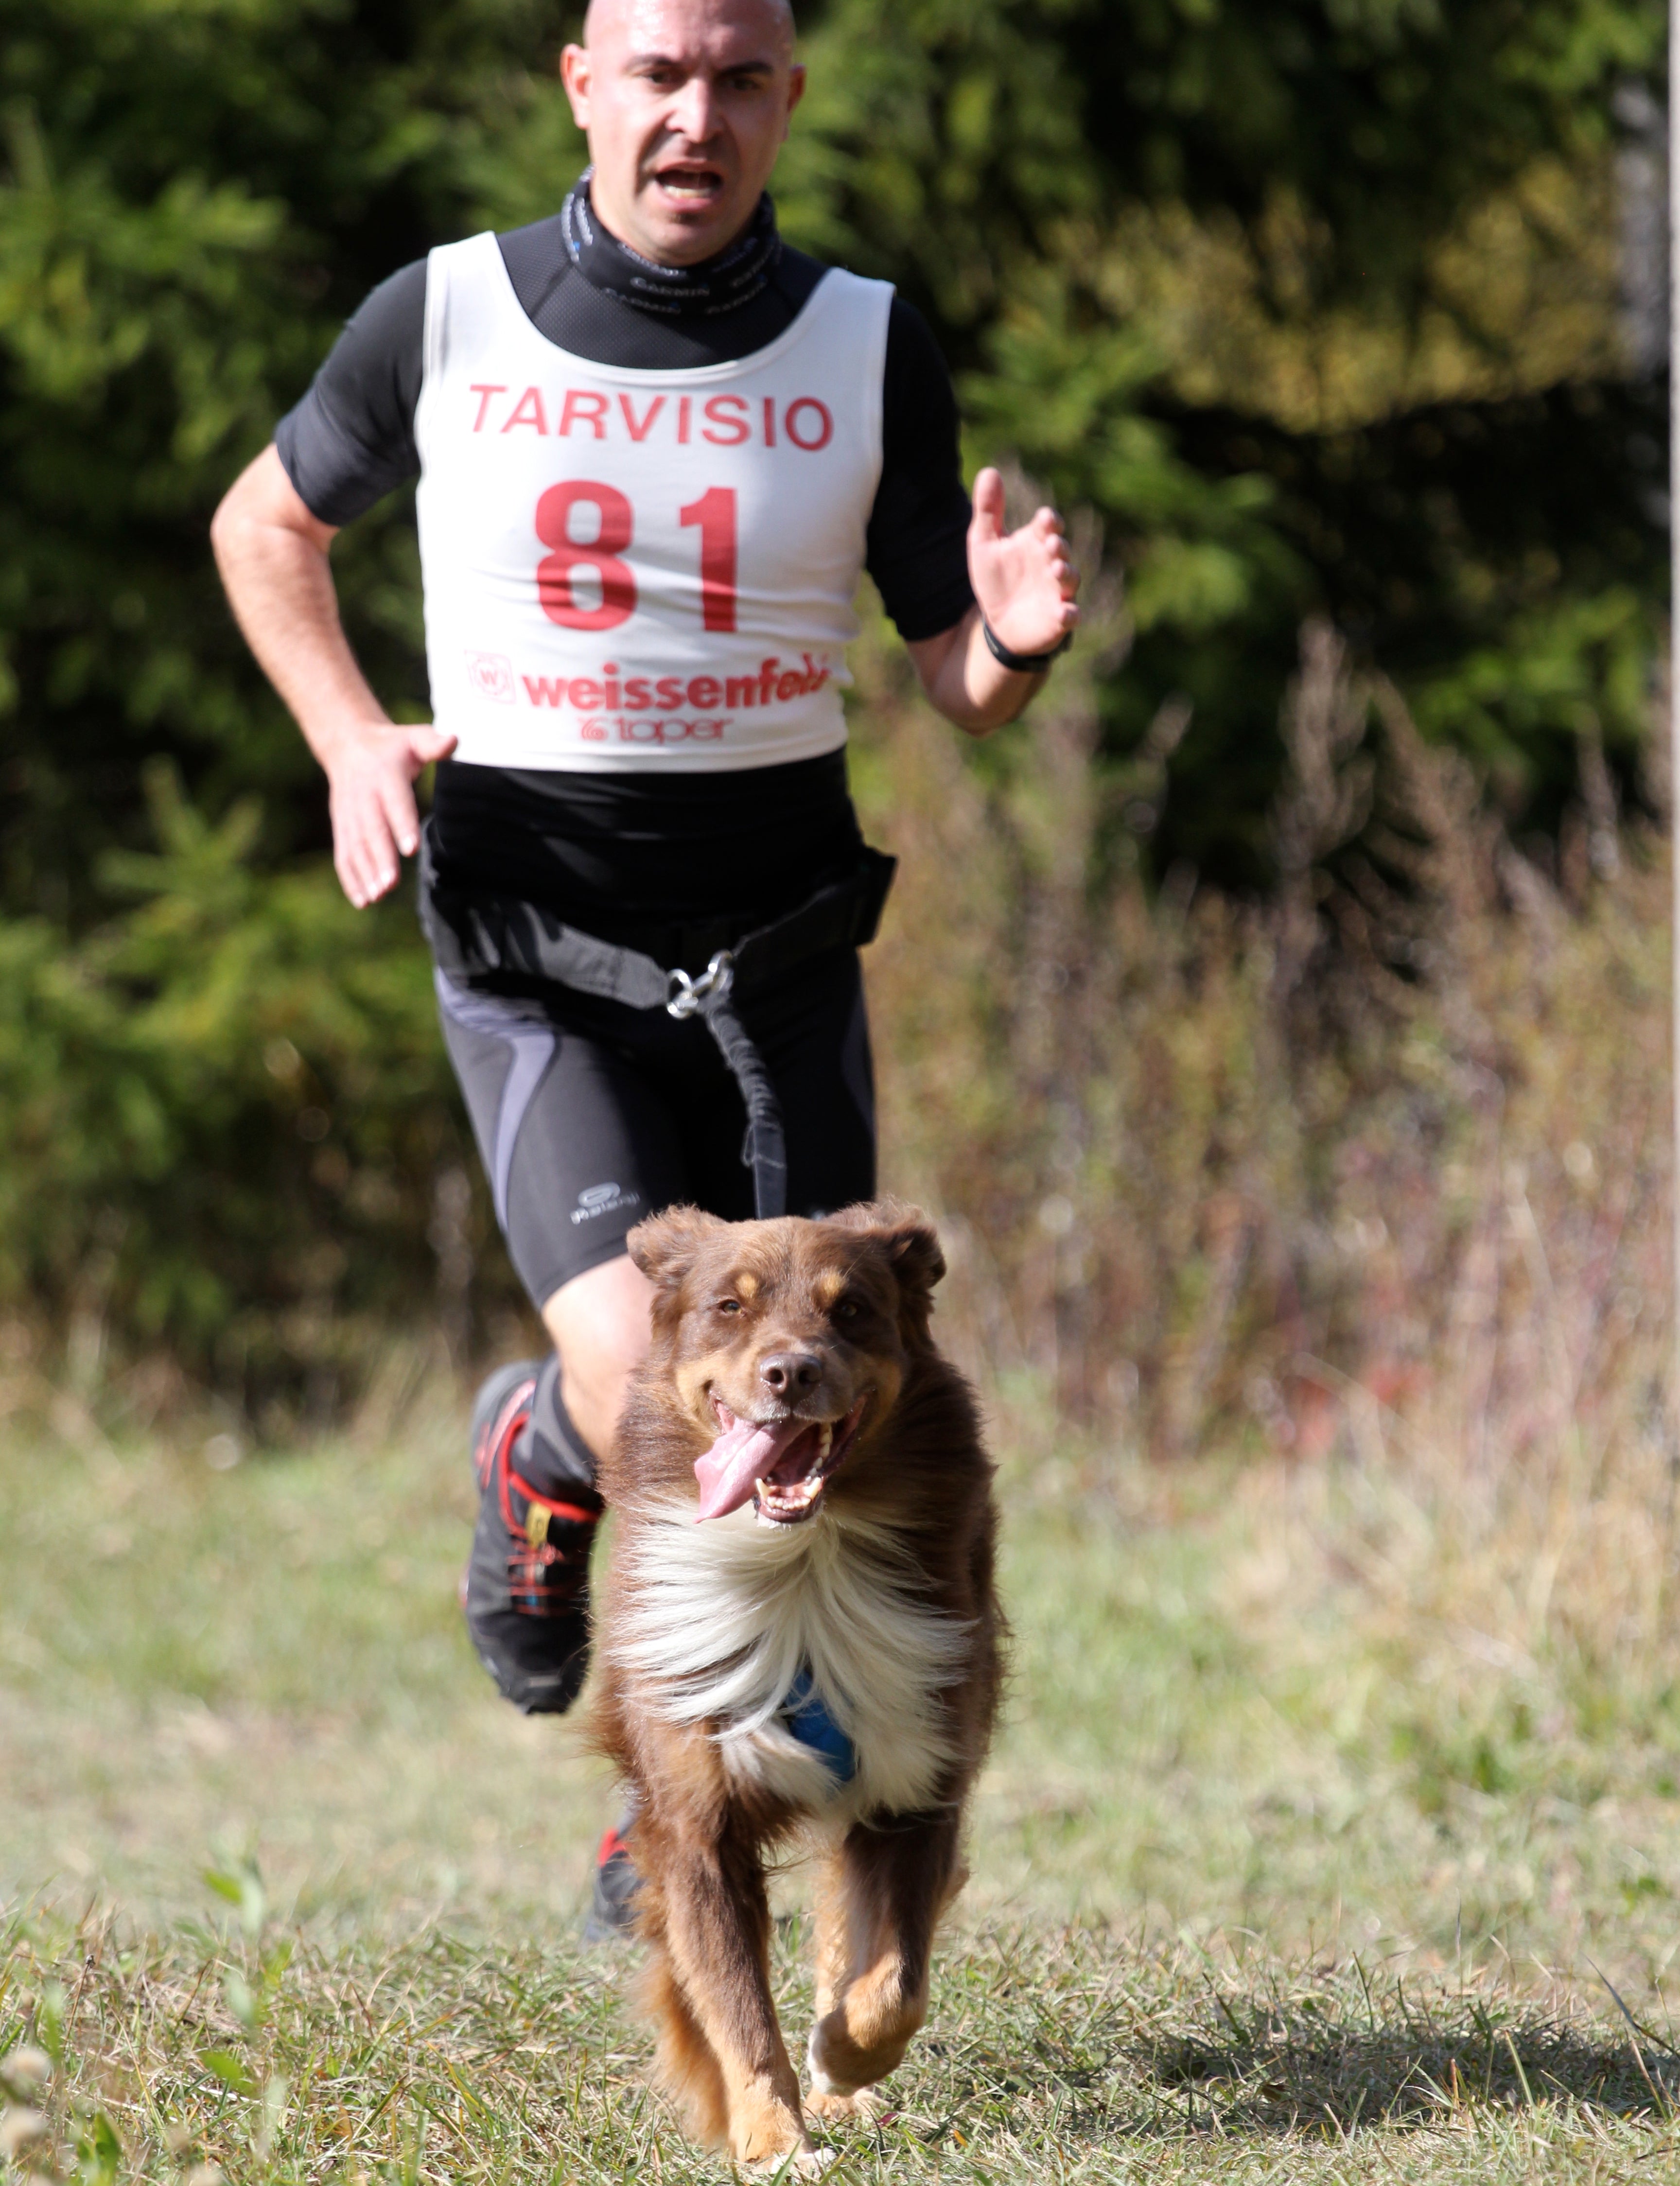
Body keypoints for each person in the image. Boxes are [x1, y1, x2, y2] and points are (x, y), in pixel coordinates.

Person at [210, 0, 1078, 1927]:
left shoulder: (865, 340)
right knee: (640, 1389)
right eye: (661, 72)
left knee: (814, 1403)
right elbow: (266, 523)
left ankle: (701, 1786)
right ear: (583, 84)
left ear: (786, 97)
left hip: (778, 966)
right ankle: (563, 1498)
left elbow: (952, 663)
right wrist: (353, 735)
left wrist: (1004, 643)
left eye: (741, 76)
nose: (700, 115)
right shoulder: (443, 314)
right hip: (539, 957)